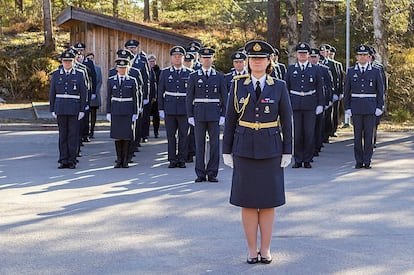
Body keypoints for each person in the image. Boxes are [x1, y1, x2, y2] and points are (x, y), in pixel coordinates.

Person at [222, 40, 293, 264]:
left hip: (271, 149)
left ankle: (266, 249)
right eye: (253, 59)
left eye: (261, 58)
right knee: (249, 201)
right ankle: (252, 250)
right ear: (248, 62)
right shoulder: (237, 84)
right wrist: (226, 150)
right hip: (243, 149)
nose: (257, 62)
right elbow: (231, 119)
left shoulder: (279, 85)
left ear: (269, 61)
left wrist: (287, 151)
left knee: (269, 202)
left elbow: (287, 120)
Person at [186, 47, 228, 182]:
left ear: (212, 59)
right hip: (198, 113)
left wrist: (223, 114)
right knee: (200, 144)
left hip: (214, 113)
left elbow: (225, 97)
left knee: (214, 144)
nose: (206, 60)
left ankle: (212, 172)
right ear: (199, 59)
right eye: (204, 57)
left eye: (209, 57)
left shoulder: (220, 76)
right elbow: (189, 97)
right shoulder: (193, 76)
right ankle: (200, 173)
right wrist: (190, 115)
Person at [344, 45, 384, 169]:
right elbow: (346, 91)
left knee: (368, 136)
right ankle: (358, 160)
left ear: (369, 57)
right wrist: (347, 107)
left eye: (364, 55)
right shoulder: (351, 71)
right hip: (356, 107)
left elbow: (380, 90)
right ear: (356, 57)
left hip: (370, 107)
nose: (362, 57)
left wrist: (379, 106)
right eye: (360, 55)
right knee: (357, 137)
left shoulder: (375, 71)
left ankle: (367, 160)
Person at [284, 42, 324, 168]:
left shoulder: (315, 69)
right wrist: (285, 105)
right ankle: (297, 159)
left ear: (308, 55)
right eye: (300, 53)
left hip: (310, 104)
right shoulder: (291, 69)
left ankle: (307, 159)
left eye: (304, 53)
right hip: (295, 104)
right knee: (297, 133)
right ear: (296, 55)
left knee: (309, 133)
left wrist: (320, 104)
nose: (302, 55)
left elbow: (319, 87)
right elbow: (286, 88)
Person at [49, 50, 87, 169]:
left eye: (69, 61)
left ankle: (72, 160)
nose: (67, 63)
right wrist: (52, 108)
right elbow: (52, 93)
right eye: (65, 61)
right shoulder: (56, 74)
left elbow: (83, 92)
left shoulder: (79, 74)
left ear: (73, 61)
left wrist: (82, 109)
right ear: (62, 62)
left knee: (73, 135)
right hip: (60, 108)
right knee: (63, 135)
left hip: (74, 108)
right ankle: (63, 159)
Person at [158, 46, 192, 168]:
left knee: (184, 135)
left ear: (183, 58)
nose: (177, 58)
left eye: (180, 56)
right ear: (171, 58)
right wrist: (160, 109)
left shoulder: (189, 73)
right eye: (175, 56)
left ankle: (182, 159)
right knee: (171, 135)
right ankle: (172, 159)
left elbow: (192, 94)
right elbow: (160, 91)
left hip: (184, 109)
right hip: (170, 108)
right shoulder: (165, 72)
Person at [106, 57, 139, 168]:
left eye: (124, 68)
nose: (122, 70)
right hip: (116, 110)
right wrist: (108, 112)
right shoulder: (111, 80)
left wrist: (135, 112)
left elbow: (135, 97)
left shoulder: (132, 80)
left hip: (127, 110)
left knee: (126, 136)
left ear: (128, 68)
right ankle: (118, 159)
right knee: (117, 136)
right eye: (120, 68)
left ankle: (125, 160)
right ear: (117, 69)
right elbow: (108, 97)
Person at [85, 52, 102, 139]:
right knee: (86, 115)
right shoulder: (84, 68)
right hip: (86, 95)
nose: (90, 59)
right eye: (89, 58)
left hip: (95, 94)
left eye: (92, 58)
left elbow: (99, 82)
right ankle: (86, 131)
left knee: (93, 114)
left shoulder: (98, 69)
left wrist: (95, 92)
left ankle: (92, 131)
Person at [147, 54, 161, 138]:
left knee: (156, 116)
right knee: (146, 116)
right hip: (148, 96)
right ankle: (146, 133)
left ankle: (156, 132)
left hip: (157, 97)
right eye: (150, 61)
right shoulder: (146, 70)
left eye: (153, 61)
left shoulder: (159, 71)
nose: (152, 63)